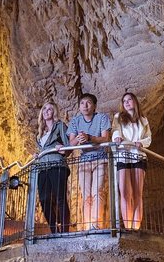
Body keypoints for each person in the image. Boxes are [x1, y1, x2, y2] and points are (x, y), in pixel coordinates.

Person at [67, 93, 111, 230]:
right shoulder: (75, 121)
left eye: (88, 103)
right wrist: (79, 139)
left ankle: (96, 225)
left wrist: (90, 137)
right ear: (79, 107)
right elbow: (71, 143)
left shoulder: (101, 118)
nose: (85, 106)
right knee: (86, 195)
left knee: (97, 192)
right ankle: (87, 226)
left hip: (100, 159)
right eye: (82, 103)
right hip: (84, 161)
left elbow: (105, 139)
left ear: (94, 106)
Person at [112, 92, 151, 230]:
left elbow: (148, 138)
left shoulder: (143, 120)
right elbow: (115, 131)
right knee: (125, 192)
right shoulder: (118, 117)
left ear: (134, 101)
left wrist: (140, 142)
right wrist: (116, 138)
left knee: (137, 193)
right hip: (123, 154)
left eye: (129, 100)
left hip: (138, 155)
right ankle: (128, 226)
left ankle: (136, 227)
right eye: (124, 101)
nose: (127, 102)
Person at [35, 102, 71, 233]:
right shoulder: (39, 134)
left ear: (54, 112)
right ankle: (54, 229)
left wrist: (63, 149)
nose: (46, 111)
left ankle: (65, 229)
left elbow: (68, 147)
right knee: (44, 199)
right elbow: (40, 150)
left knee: (60, 197)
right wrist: (36, 155)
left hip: (57, 165)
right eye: (44, 108)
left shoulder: (60, 126)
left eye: (50, 109)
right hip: (43, 167)